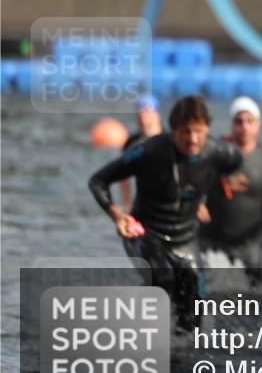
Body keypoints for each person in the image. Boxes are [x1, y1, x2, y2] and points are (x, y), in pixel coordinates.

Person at [88, 96, 241, 331]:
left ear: (207, 129)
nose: (193, 139)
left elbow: (235, 164)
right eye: (185, 132)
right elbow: (98, 181)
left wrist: (217, 185)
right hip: (145, 233)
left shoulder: (220, 152)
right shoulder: (148, 151)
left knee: (194, 311)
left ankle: (180, 346)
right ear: (173, 130)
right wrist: (118, 216)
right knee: (164, 279)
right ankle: (129, 329)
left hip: (185, 239)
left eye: (199, 132)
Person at [199, 97, 262, 289]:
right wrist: (195, 202)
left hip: (249, 245)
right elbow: (191, 179)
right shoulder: (215, 152)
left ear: (258, 125)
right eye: (238, 121)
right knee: (204, 295)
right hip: (211, 241)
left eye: (250, 121)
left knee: (255, 296)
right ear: (232, 125)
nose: (244, 127)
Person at [118, 94, 163, 211]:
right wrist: (126, 205)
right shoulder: (131, 143)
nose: (144, 117)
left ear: (157, 115)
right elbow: (123, 176)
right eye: (141, 113)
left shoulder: (168, 139)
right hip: (143, 201)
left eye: (148, 113)